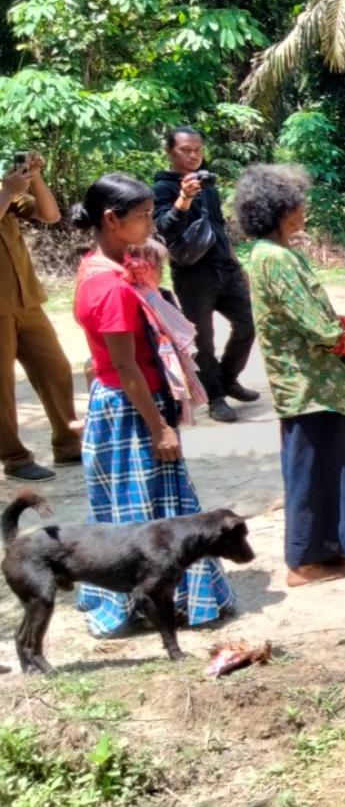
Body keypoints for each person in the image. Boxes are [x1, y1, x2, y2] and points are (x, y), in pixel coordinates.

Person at [70, 174, 234, 636]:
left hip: (123, 403)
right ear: (111, 219)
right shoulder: (113, 288)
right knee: (150, 514)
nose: (149, 224)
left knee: (125, 509)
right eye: (142, 217)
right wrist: (160, 427)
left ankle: (135, 598)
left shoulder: (102, 268)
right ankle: (157, 602)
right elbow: (126, 368)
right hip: (131, 408)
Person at [236, 166, 345, 588]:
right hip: (305, 382)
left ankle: (333, 547)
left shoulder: (275, 252)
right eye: (298, 201)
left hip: (315, 381)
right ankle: (302, 560)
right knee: (310, 466)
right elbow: (310, 322)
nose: (304, 207)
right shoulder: (275, 258)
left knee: (330, 460)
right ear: (279, 210)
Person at [152, 127, 260, 423]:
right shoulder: (162, 188)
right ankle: (215, 397)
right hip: (192, 274)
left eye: (197, 149)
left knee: (248, 324)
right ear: (170, 152)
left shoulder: (207, 181)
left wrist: (238, 265)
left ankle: (228, 379)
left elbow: (218, 226)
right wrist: (183, 198)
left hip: (224, 267)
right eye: (185, 150)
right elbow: (165, 228)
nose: (193, 155)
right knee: (203, 340)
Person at [0, 150, 79, 481]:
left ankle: (69, 445)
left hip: (26, 301)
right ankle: (15, 458)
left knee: (56, 369)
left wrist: (34, 178)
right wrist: (7, 192)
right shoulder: (4, 192)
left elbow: (49, 215)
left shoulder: (6, 191)